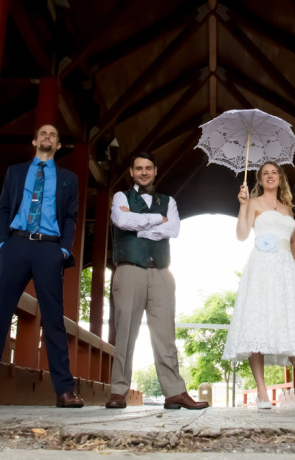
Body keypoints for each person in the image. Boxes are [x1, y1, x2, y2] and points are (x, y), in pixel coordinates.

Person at [0, 124, 83, 408]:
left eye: (53, 135)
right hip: (16, 244)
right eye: (43, 133)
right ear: (35, 140)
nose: (48, 137)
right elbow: (3, 209)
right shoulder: (15, 172)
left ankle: (65, 391)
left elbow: (71, 217)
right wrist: (3, 243)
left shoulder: (68, 179)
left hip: (49, 248)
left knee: (53, 320)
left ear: (59, 145)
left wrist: (62, 250)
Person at [223, 162, 295, 411]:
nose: (270, 176)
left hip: (284, 272)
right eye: (265, 173)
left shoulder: (289, 210)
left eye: (274, 172)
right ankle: (263, 394)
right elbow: (242, 235)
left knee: (291, 327)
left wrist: (292, 268)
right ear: (259, 179)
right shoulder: (253, 203)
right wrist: (243, 205)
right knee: (257, 324)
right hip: (261, 269)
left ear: (280, 178)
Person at [106, 151, 208, 410]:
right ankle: (118, 391)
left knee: (165, 334)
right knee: (126, 331)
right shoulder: (121, 197)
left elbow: (172, 230)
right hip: (130, 269)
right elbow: (121, 219)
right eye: (138, 168)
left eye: (148, 168)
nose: (143, 172)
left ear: (155, 170)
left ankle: (174, 392)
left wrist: (139, 227)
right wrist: (154, 221)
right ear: (131, 172)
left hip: (162, 271)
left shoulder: (168, 201)